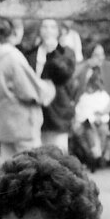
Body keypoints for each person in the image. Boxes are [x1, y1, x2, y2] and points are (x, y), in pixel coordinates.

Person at [0, 18, 55, 165]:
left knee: (8, 168)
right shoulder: (12, 56)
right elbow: (30, 89)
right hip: (23, 124)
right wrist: (49, 88)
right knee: (31, 166)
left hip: (2, 121)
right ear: (16, 31)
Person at [27, 19, 76, 153]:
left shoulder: (66, 53)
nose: (48, 30)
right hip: (36, 111)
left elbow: (64, 74)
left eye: (52, 27)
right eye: (44, 27)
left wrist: (52, 53)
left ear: (58, 31)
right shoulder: (31, 53)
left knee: (58, 153)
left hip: (58, 111)